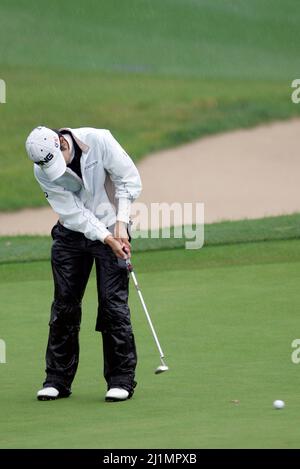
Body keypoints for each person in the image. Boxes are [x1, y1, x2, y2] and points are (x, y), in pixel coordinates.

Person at [25, 125, 142, 402]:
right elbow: (73, 212)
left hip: (112, 224)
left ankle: (121, 380)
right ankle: (56, 380)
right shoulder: (42, 170)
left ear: (62, 144)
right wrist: (104, 237)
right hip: (71, 234)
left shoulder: (99, 140)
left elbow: (129, 180)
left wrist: (120, 225)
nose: (54, 169)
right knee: (64, 304)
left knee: (112, 303)